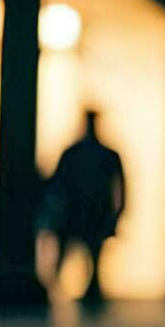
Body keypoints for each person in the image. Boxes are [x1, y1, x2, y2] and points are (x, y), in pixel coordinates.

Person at [46, 110, 125, 307]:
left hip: (85, 213)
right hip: (85, 213)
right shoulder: (103, 155)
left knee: (89, 259)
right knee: (89, 258)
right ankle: (85, 295)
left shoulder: (75, 154)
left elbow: (58, 185)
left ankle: (84, 294)